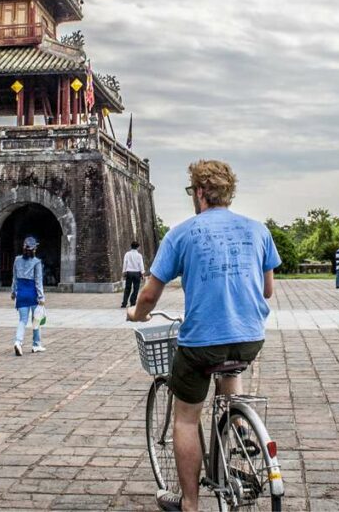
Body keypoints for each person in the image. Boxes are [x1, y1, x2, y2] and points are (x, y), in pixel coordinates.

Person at [127, 160, 279, 512]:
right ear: (229, 192)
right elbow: (267, 291)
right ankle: (238, 427)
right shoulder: (258, 231)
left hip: (201, 345)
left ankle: (190, 503)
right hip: (250, 339)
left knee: (186, 417)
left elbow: (149, 296)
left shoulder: (181, 233)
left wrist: (136, 313)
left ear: (198, 193)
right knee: (229, 366)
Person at [11, 236, 45, 356]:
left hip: (21, 293)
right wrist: (41, 297)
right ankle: (36, 344)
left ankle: (18, 342)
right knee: (36, 320)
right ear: (34, 249)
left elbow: (14, 278)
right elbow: (38, 281)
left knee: (22, 320)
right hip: (32, 294)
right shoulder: (37, 262)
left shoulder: (17, 260)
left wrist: (13, 292)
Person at [120, 240, 146, 308]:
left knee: (127, 288)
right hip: (137, 273)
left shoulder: (127, 254)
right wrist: (142, 273)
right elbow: (141, 265)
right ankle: (132, 302)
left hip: (129, 273)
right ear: (138, 247)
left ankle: (124, 303)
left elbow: (125, 263)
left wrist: (124, 272)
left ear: (131, 247)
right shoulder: (139, 255)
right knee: (136, 288)